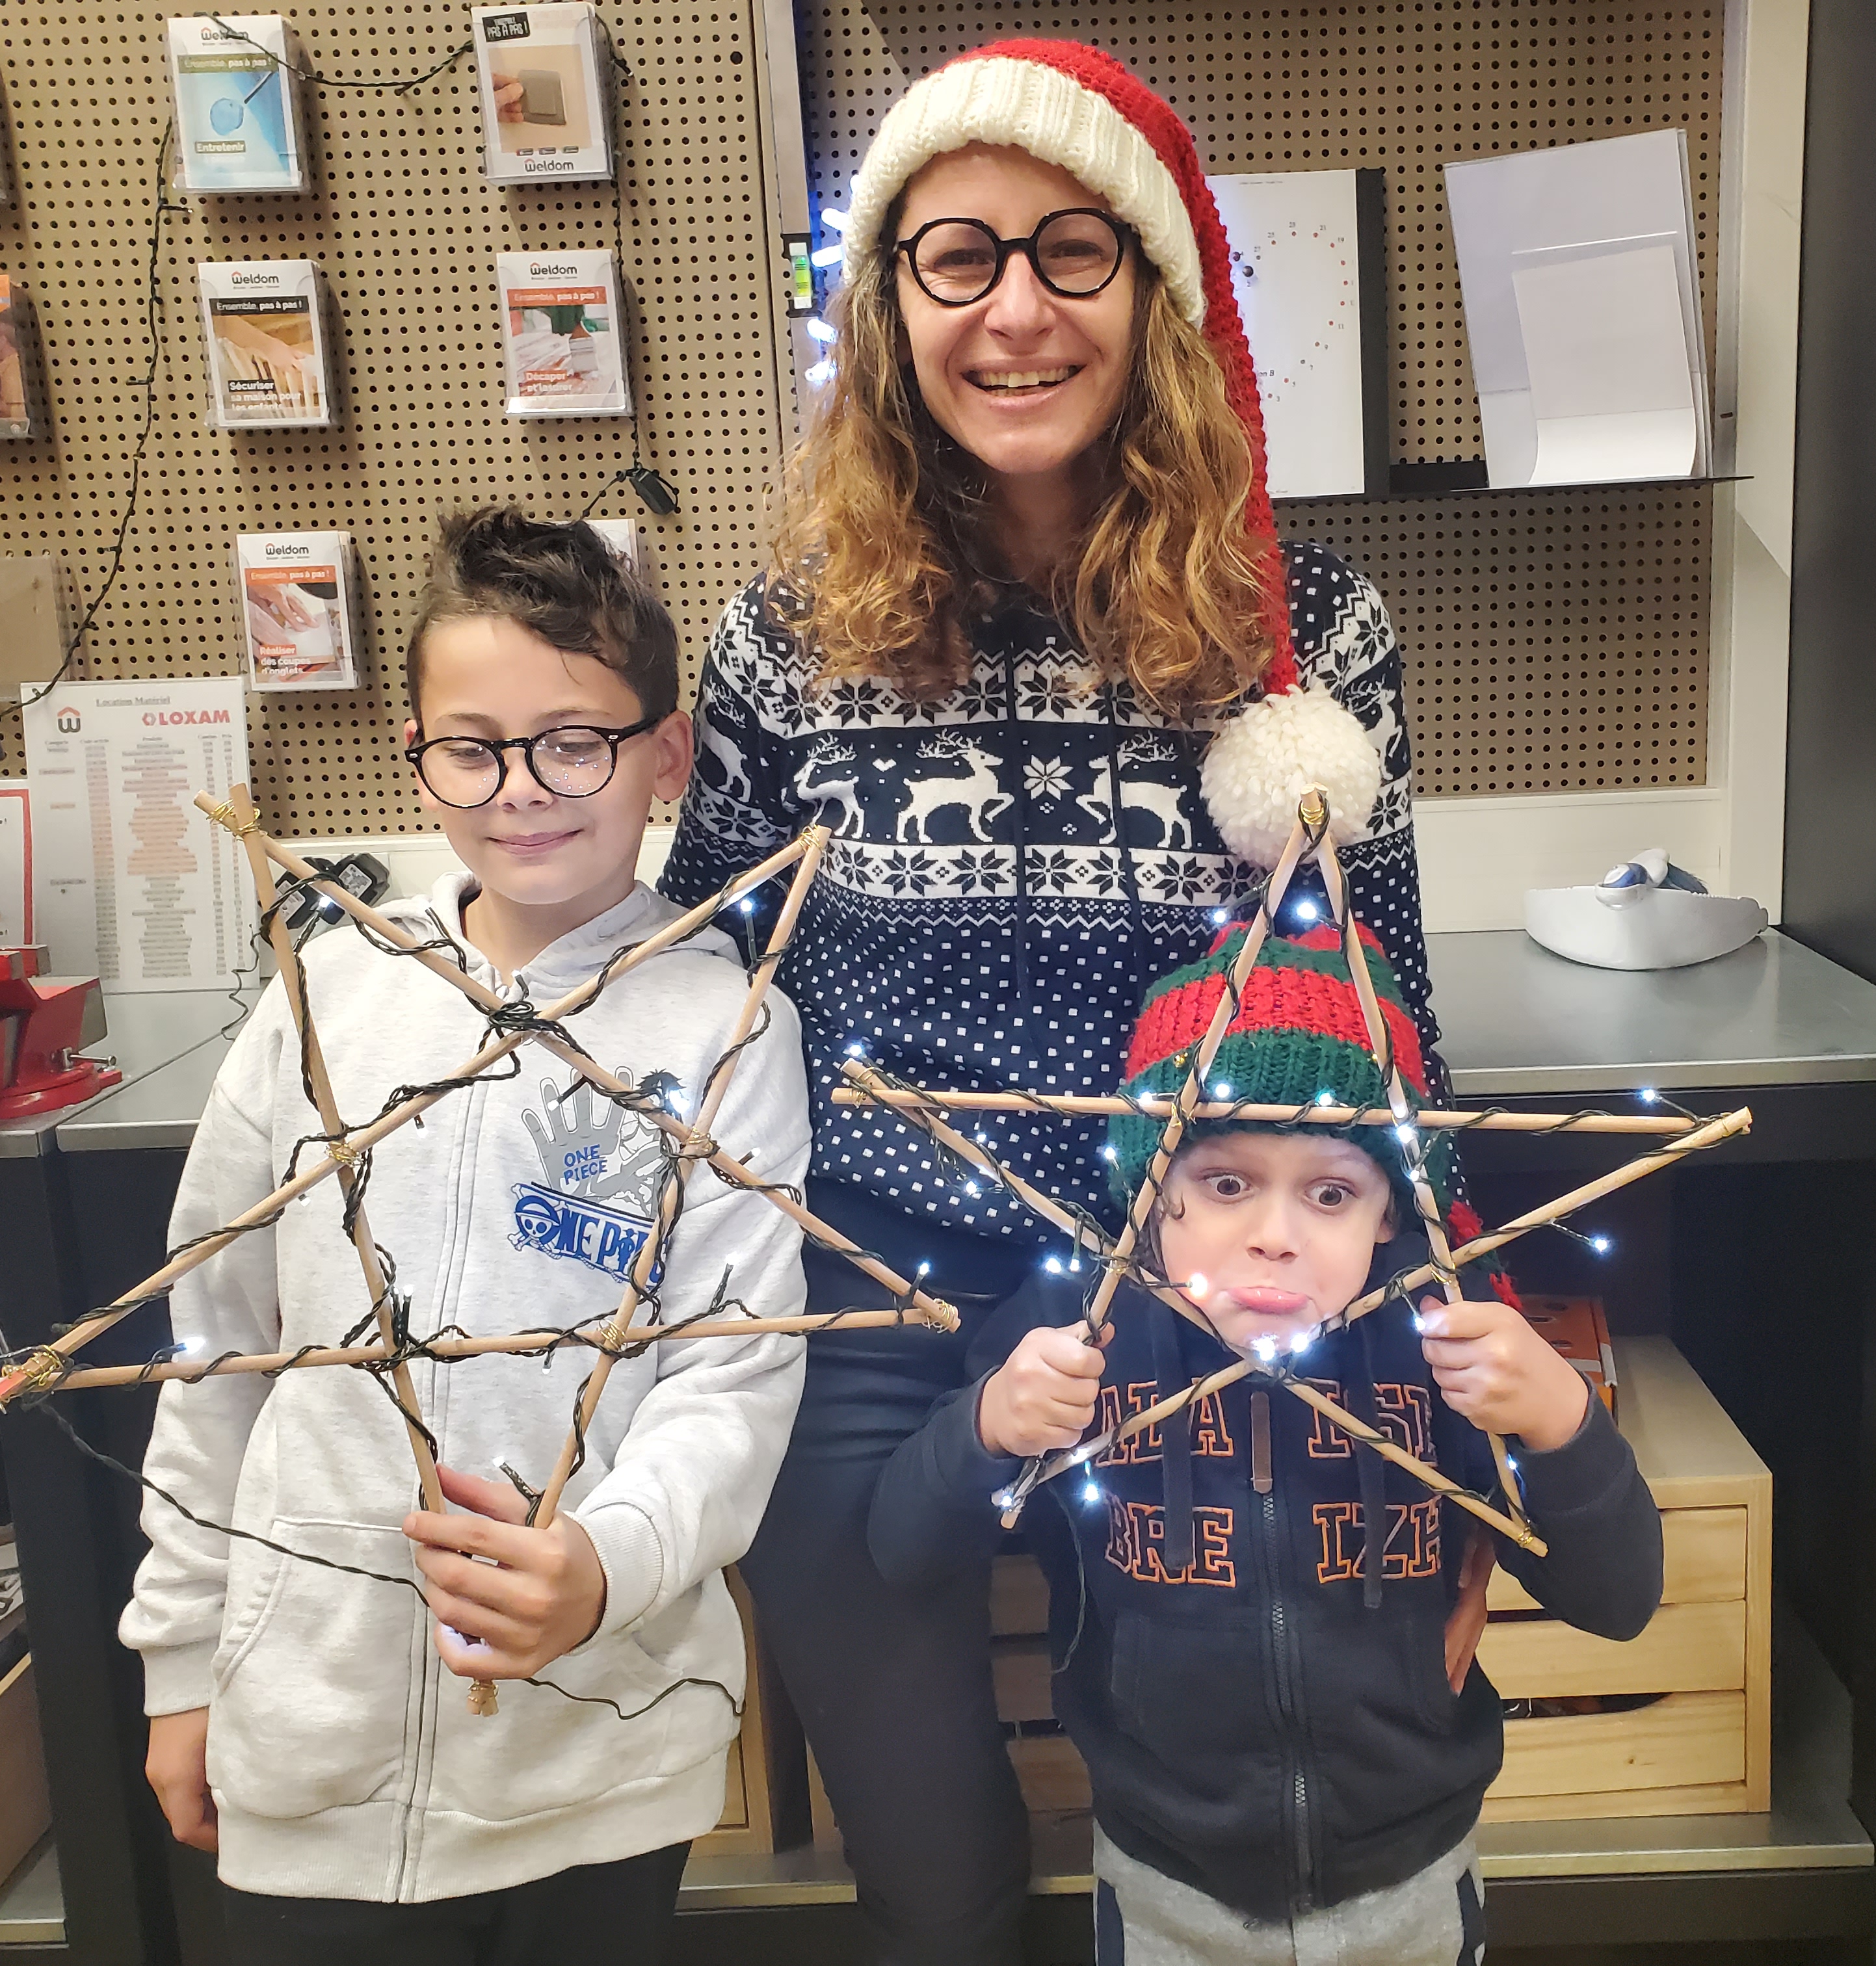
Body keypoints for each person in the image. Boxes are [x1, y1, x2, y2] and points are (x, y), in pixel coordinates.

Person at [659, 38, 1440, 1963]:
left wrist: (1426, 1418)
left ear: (1153, 296)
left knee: (1226, 1825)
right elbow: (699, 987)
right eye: (959, 258)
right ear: (892, 307)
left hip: (1184, 1300)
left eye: (1072, 251)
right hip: (860, 1300)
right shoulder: (783, 637)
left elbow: (1388, 1026)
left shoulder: (1303, 631)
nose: (1015, 310)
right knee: (936, 1883)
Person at [122, 508, 810, 1963]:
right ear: (418, 755)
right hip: (307, 1725)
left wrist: (607, 1564)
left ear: (666, 756)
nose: (522, 791)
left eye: (574, 743)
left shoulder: (730, 1027)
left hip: (600, 1749)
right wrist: (181, 1658)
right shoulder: (321, 998)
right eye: (472, 748)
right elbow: (215, 1346)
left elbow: (734, 1374)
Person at [870, 923, 1667, 1962]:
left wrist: (1560, 1419)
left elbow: (1620, 1602)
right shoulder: (1080, 1332)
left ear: (1389, 1212)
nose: (1276, 1237)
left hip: (1414, 1873)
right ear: (1150, 1187)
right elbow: (903, 1550)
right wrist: (987, 1427)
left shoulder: (1440, 1339)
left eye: (1331, 1193)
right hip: (1165, 1882)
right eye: (1225, 1184)